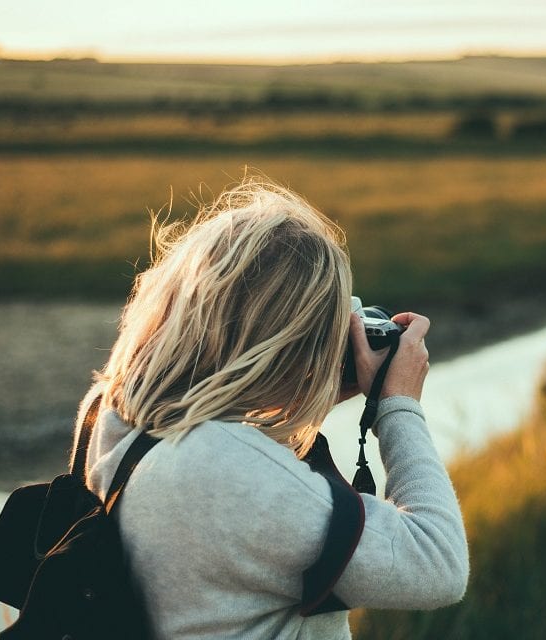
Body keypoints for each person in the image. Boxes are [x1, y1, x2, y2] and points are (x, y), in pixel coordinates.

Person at [71, 179, 469, 639]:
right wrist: (397, 406)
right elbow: (438, 565)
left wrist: (305, 392)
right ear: (286, 336)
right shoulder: (223, 467)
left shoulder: (116, 415)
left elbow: (229, 543)